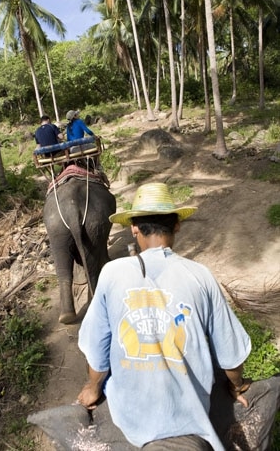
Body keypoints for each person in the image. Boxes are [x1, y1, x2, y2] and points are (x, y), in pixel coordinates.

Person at [77, 182, 252, 450]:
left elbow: (98, 354)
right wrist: (236, 385)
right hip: (190, 423)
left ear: (134, 227)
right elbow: (231, 360)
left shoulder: (111, 273)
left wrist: (92, 387)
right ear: (177, 225)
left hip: (131, 421)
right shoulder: (200, 275)